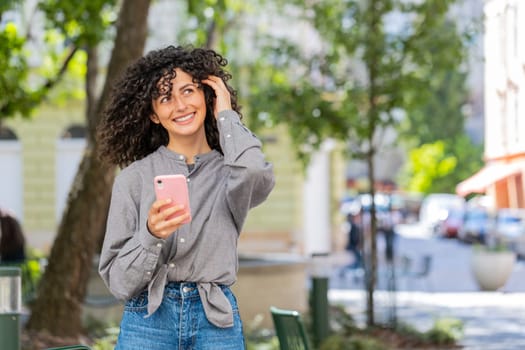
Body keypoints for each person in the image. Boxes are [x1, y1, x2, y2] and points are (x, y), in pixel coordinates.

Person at [96, 45, 275, 349]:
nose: (179, 105)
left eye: (188, 91)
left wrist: (227, 116)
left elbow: (257, 174)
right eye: (165, 97)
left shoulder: (232, 172)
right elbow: (118, 282)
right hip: (148, 321)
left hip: (215, 321)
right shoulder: (133, 179)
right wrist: (150, 235)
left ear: (207, 95)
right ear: (153, 113)